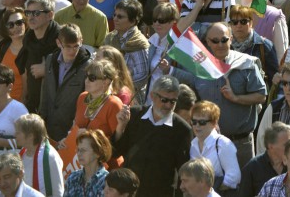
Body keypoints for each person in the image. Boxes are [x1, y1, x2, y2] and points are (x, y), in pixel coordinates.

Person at [167, 22, 267, 167]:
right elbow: (193, 82)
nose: (220, 44)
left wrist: (236, 98)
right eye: (215, 41)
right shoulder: (202, 66)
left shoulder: (246, 64)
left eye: (224, 40)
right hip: (208, 144)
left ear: (231, 39)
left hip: (240, 143)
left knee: (241, 181)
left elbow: (261, 96)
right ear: (207, 42)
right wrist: (169, 69)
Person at [111, 76, 192, 197]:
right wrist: (120, 127)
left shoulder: (182, 129)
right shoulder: (134, 115)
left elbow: (182, 171)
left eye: (173, 101)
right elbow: (115, 152)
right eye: (164, 100)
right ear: (152, 96)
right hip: (128, 191)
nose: (168, 105)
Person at [188, 101, 241, 194]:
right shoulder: (192, 144)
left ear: (214, 123)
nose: (197, 126)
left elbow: (234, 177)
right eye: (194, 122)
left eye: (202, 122)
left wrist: (210, 190)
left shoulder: (223, 144)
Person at [63, 129, 111, 197]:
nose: (79, 154)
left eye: (83, 150)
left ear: (98, 153)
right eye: (78, 150)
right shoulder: (73, 177)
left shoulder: (107, 181)